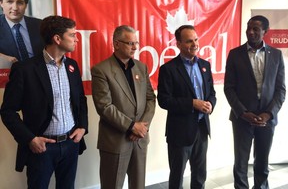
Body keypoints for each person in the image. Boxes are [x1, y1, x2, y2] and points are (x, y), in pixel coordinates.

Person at [0, 15, 88, 189]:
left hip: (71, 144)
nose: (76, 39)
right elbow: (8, 111)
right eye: (72, 35)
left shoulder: (72, 65)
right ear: (57, 38)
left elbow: (80, 99)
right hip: (42, 149)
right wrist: (30, 139)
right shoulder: (25, 69)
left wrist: (83, 127)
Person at [224, 15, 286, 189]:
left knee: (262, 163)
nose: (250, 32)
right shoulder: (235, 54)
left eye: (255, 29)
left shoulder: (276, 55)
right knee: (241, 163)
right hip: (242, 118)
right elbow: (229, 88)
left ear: (265, 32)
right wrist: (243, 113)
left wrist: (268, 113)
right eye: (248, 28)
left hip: (267, 119)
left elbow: (281, 90)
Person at [91, 25, 156, 189]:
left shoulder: (141, 67)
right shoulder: (101, 70)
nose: (134, 47)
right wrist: (132, 126)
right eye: (130, 43)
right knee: (112, 185)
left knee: (138, 185)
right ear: (116, 44)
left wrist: (142, 128)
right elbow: (104, 106)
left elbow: (150, 99)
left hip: (139, 139)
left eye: (136, 43)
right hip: (115, 140)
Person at [157, 25, 217, 189]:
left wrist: (211, 103)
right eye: (189, 41)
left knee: (200, 175)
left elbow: (212, 92)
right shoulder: (168, 69)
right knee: (177, 177)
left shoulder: (205, 65)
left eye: (196, 39)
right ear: (178, 44)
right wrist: (192, 103)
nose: (195, 44)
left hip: (202, 129)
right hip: (180, 131)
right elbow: (164, 100)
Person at [0, 0, 44, 64]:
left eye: (20, 2)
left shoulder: (40, 25)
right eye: (10, 2)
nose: (15, 8)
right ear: (1, 3)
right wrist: (2, 57)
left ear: (26, 5)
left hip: (37, 73)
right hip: (10, 74)